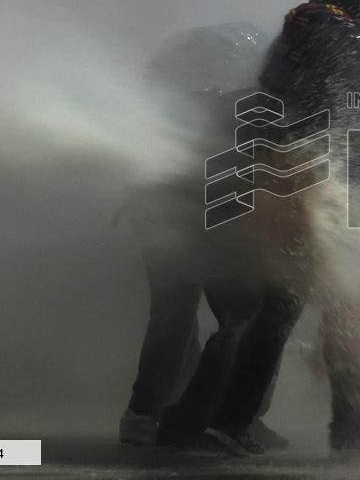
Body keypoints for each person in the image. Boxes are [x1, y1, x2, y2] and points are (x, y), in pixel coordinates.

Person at [182, 0, 360, 454]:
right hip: (316, 183)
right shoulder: (341, 27)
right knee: (346, 306)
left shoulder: (292, 33)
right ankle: (349, 428)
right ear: (358, 5)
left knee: (281, 306)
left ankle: (234, 419)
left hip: (279, 177)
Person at [119, 23, 288, 453]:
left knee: (176, 314)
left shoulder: (169, 101)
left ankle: (149, 414)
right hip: (194, 217)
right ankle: (217, 416)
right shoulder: (237, 103)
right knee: (238, 316)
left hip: (159, 212)